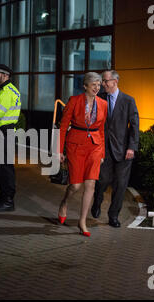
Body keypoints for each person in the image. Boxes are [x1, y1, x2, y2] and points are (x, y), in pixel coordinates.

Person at [57, 72, 107, 237]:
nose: (97, 88)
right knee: (75, 186)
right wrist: (59, 151)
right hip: (75, 146)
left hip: (95, 146)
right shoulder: (74, 101)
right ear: (85, 86)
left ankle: (82, 221)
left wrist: (102, 153)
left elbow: (101, 129)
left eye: (99, 85)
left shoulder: (103, 104)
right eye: (93, 84)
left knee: (90, 185)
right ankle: (64, 202)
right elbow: (63, 127)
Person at [91, 70, 140, 228]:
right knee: (102, 180)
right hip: (104, 149)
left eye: (105, 81)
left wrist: (132, 147)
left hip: (123, 150)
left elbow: (134, 126)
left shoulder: (128, 101)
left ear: (115, 82)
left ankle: (113, 216)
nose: (102, 84)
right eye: (102, 82)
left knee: (120, 185)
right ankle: (97, 202)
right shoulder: (99, 99)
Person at [0, 63, 21, 212]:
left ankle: (7, 200)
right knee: (3, 167)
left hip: (4, 131)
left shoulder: (6, 92)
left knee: (4, 168)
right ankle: (5, 198)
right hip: (5, 132)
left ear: (5, 75)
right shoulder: (5, 90)